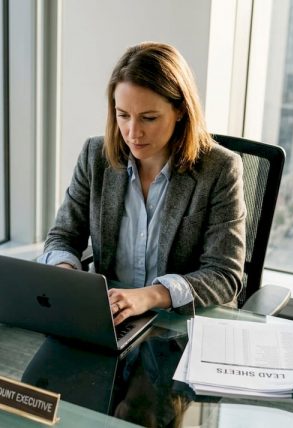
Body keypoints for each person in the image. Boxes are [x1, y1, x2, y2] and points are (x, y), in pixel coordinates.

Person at [38, 42, 246, 325]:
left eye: (149, 118)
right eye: (123, 115)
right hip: (112, 320)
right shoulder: (95, 157)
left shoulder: (220, 169)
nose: (133, 133)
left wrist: (149, 296)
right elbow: (63, 235)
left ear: (181, 110)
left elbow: (224, 275)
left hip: (181, 326)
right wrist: (64, 270)